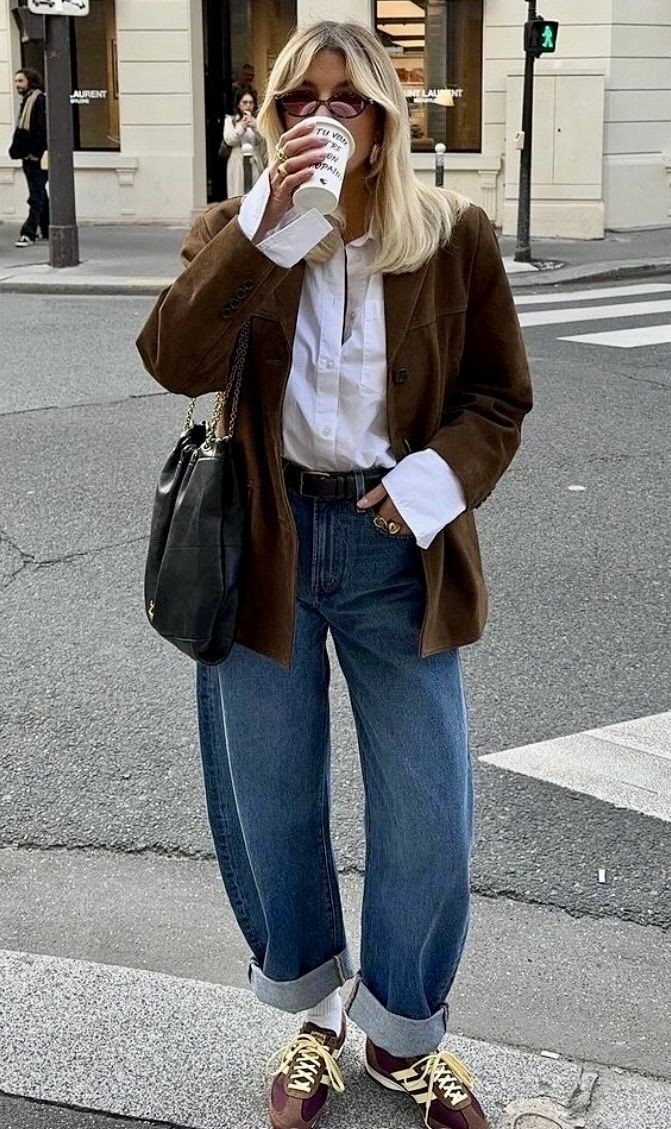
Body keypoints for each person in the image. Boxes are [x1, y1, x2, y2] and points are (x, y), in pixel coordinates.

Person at [137, 19, 532, 1129]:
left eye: (343, 98)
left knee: (428, 807)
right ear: (269, 120)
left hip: (394, 544)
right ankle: (311, 1016)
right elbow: (172, 360)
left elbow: (498, 396)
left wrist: (430, 484)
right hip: (262, 542)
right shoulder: (236, 230)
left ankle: (402, 1035)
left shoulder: (449, 235)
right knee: (270, 797)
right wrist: (258, 232)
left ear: (382, 122)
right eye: (295, 100)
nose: (319, 117)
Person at [10, 68, 49, 247]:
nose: (17, 84)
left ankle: (28, 232)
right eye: (16, 81)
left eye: (20, 81)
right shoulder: (28, 100)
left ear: (30, 81)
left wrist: (33, 152)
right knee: (40, 193)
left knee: (35, 195)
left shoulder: (38, 100)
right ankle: (47, 228)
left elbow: (41, 129)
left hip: (35, 157)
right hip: (28, 156)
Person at [222, 84, 266, 197]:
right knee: (238, 195)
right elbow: (229, 139)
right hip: (237, 163)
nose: (248, 106)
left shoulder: (257, 121)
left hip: (254, 163)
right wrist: (241, 126)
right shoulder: (231, 120)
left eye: (251, 102)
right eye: (244, 102)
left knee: (255, 194)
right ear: (238, 104)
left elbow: (263, 140)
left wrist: (255, 126)